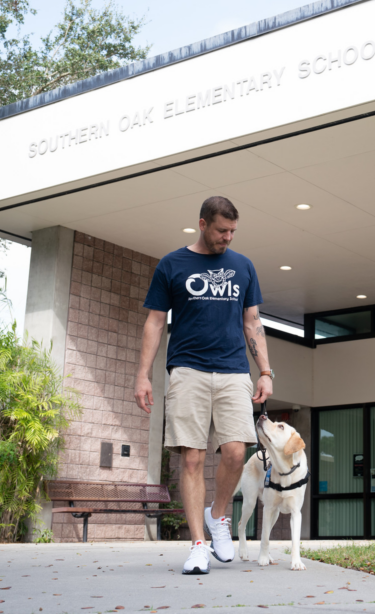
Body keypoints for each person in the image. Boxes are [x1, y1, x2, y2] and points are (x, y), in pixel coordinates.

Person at [134, 196, 273, 576]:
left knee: (234, 452)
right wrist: (143, 374)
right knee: (192, 457)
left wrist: (265, 371)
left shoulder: (243, 266)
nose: (227, 237)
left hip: (232, 370)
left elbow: (252, 322)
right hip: (187, 370)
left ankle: (218, 516)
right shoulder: (172, 264)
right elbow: (154, 322)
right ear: (202, 224)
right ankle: (197, 545)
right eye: (221, 230)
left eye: (232, 231)